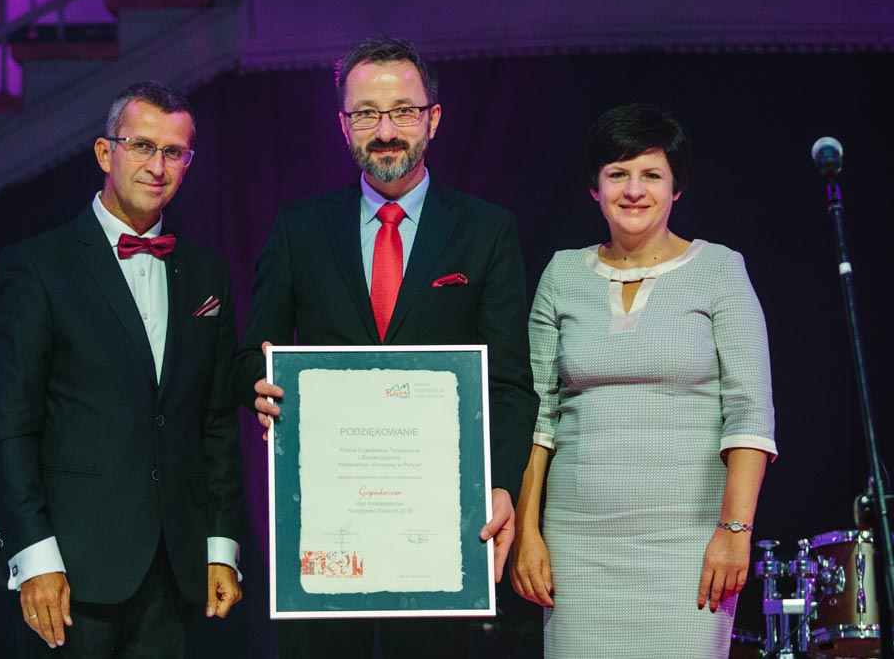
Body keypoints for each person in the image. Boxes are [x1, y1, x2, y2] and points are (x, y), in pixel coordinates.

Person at [232, 37, 538, 658]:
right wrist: (256, 387)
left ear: (434, 118)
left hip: (437, 528)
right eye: (367, 113)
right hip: (327, 525)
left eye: (403, 111)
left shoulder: (486, 230)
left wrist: (502, 485)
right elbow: (248, 360)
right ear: (343, 125)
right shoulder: (299, 228)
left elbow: (509, 384)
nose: (387, 130)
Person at [0, 81, 244, 658]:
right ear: (106, 152)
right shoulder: (38, 266)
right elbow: (8, 428)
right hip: (67, 573)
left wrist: (221, 545)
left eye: (174, 152)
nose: (158, 166)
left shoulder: (208, 273)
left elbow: (217, 422)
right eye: (142, 146)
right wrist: (34, 557)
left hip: (174, 572)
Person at [509, 103, 777, 658]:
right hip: (576, 546)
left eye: (651, 174)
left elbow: (750, 413)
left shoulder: (720, 270)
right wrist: (527, 533)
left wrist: (734, 531)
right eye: (618, 174)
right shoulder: (562, 274)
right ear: (595, 187)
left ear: (676, 187)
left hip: (690, 545)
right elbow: (538, 417)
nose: (634, 190)